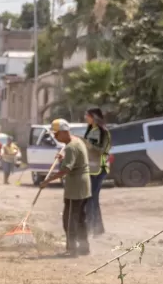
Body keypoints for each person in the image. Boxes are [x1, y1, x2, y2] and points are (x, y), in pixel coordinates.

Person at [41, 119, 91, 257]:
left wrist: (47, 181)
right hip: (83, 186)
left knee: (69, 220)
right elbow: (75, 161)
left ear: (64, 132)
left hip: (75, 187)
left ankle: (72, 250)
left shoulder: (70, 146)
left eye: (56, 134)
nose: (55, 137)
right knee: (80, 218)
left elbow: (66, 170)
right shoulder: (76, 141)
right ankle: (84, 247)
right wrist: (64, 158)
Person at [83, 108, 111, 236]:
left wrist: (88, 145)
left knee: (91, 199)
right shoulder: (91, 130)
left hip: (99, 169)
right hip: (91, 169)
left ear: (93, 117)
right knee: (91, 199)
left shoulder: (103, 132)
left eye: (87, 115)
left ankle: (92, 228)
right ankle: (96, 229)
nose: (85, 117)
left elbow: (101, 150)